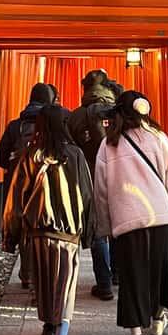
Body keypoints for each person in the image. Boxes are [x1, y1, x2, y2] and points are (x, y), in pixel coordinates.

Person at [92, 91, 168, 335]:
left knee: (133, 276)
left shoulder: (108, 145)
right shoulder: (159, 138)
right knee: (158, 268)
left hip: (126, 220)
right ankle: (158, 317)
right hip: (159, 217)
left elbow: (101, 191)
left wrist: (105, 226)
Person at [2, 104, 94, 335]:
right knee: (65, 285)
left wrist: (11, 235)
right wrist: (88, 232)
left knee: (43, 283)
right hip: (67, 233)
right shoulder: (75, 155)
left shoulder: (31, 155)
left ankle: (48, 324)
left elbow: (17, 199)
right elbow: (87, 195)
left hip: (38, 232)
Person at [67, 70, 122, 300]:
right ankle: (119, 274)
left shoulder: (75, 117)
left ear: (85, 89)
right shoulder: (120, 114)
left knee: (98, 229)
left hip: (89, 179)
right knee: (121, 225)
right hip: (120, 177)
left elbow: (70, 151)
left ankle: (104, 283)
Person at [0, 83, 56, 289]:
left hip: (19, 184)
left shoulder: (15, 126)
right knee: (44, 227)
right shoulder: (53, 125)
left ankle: (28, 273)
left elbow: (1, 157)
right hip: (45, 183)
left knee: (24, 227)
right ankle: (43, 272)